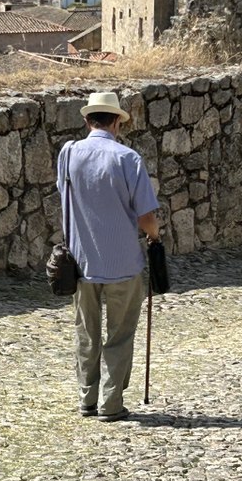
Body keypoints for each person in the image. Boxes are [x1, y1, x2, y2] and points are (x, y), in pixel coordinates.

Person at [56, 92, 161, 423]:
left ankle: (86, 398)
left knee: (86, 332)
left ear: (88, 121)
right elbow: (146, 217)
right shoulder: (128, 159)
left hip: (81, 262)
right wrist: (155, 237)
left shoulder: (68, 154)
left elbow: (66, 197)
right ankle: (110, 403)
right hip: (123, 264)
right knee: (120, 334)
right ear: (117, 122)